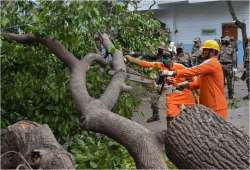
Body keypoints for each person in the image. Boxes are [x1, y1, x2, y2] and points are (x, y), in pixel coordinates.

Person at [162, 40, 228, 120]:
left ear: (213, 51)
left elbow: (193, 71)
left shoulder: (212, 63)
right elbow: (198, 83)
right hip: (209, 107)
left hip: (216, 107)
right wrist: (186, 85)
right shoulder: (209, 63)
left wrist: (172, 73)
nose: (202, 51)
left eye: (205, 50)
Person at [125, 51, 196, 121]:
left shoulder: (180, 67)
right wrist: (132, 59)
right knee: (170, 115)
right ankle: (168, 124)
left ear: (171, 59)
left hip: (184, 91)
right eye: (163, 59)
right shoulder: (160, 65)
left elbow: (192, 76)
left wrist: (191, 85)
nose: (165, 61)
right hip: (171, 92)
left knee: (193, 113)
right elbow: (146, 64)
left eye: (167, 59)